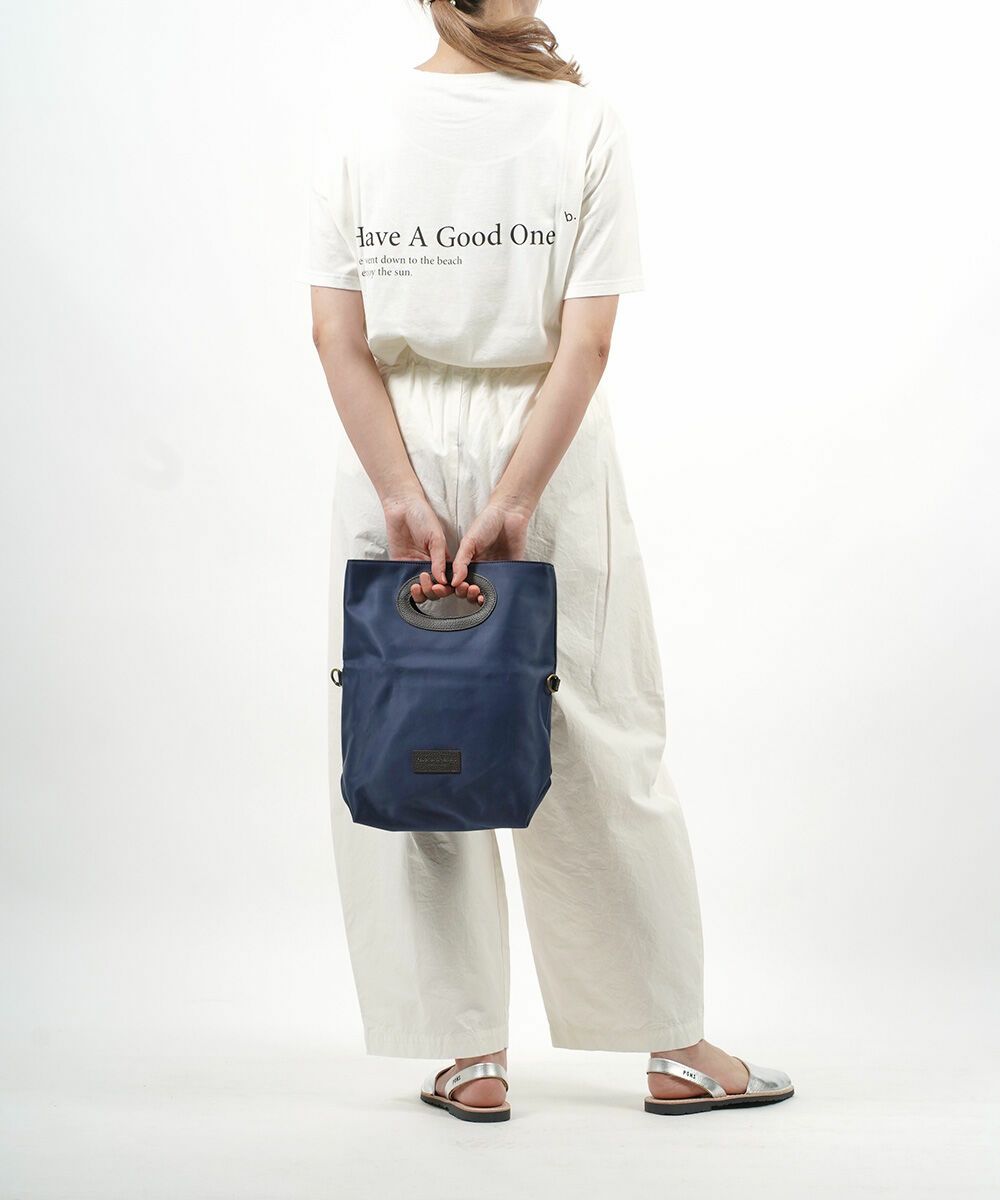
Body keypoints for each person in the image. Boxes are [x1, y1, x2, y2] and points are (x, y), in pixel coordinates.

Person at [297, 0, 794, 1122]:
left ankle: (466, 1054)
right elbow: (588, 340)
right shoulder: (584, 122)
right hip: (547, 439)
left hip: (392, 433)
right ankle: (671, 1043)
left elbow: (336, 333)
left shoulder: (359, 122)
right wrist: (518, 496)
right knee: (601, 730)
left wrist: (400, 493)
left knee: (413, 722)